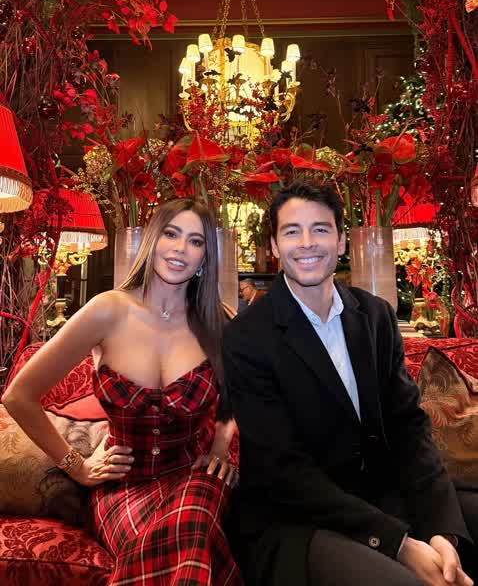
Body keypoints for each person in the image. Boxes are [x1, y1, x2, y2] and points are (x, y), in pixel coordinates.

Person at [222, 180, 478, 586]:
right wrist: (399, 544)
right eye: (292, 231)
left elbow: (409, 429)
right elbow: (283, 471)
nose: (307, 243)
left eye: (321, 229)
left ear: (341, 241)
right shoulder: (247, 336)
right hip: (296, 521)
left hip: (383, 496)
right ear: (274, 246)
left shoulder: (375, 315)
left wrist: (441, 531)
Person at [3, 199, 243, 586]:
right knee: (186, 536)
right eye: (171, 234)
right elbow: (19, 396)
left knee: (193, 518)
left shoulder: (219, 321)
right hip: (122, 487)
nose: (180, 248)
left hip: (193, 476)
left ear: (205, 257)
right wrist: (77, 466)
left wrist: (219, 448)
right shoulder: (108, 311)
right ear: (152, 239)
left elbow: (238, 395)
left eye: (195, 241)